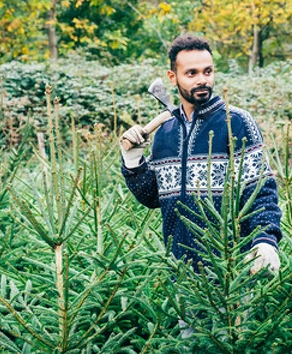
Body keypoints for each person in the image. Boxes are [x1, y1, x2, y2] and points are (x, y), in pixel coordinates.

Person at [119, 34, 282, 275]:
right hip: (179, 271)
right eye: (191, 73)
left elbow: (260, 190)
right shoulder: (166, 130)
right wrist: (133, 160)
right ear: (172, 78)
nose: (202, 80)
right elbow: (152, 197)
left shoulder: (235, 122)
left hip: (231, 271)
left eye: (208, 71)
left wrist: (265, 240)